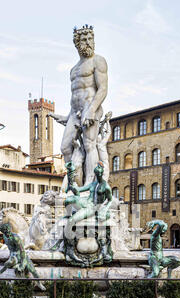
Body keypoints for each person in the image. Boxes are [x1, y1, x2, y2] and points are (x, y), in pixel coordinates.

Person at [50, 25, 108, 186]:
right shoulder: (73, 70)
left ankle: (90, 183)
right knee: (65, 148)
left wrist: (91, 110)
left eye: (90, 39)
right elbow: (75, 97)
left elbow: (103, 89)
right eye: (84, 39)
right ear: (77, 43)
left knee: (90, 145)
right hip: (74, 113)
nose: (88, 42)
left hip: (91, 108)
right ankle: (75, 183)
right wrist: (66, 117)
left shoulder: (98, 61)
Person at [0, 223, 45, 290]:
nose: (7, 232)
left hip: (21, 255)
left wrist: (22, 263)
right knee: (9, 262)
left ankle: (39, 283)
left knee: (32, 270)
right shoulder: (5, 237)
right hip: (13, 256)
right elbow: (10, 248)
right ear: (3, 232)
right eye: (5, 231)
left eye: (8, 230)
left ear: (10, 229)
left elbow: (22, 250)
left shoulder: (15, 237)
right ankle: (2, 271)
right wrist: (11, 256)